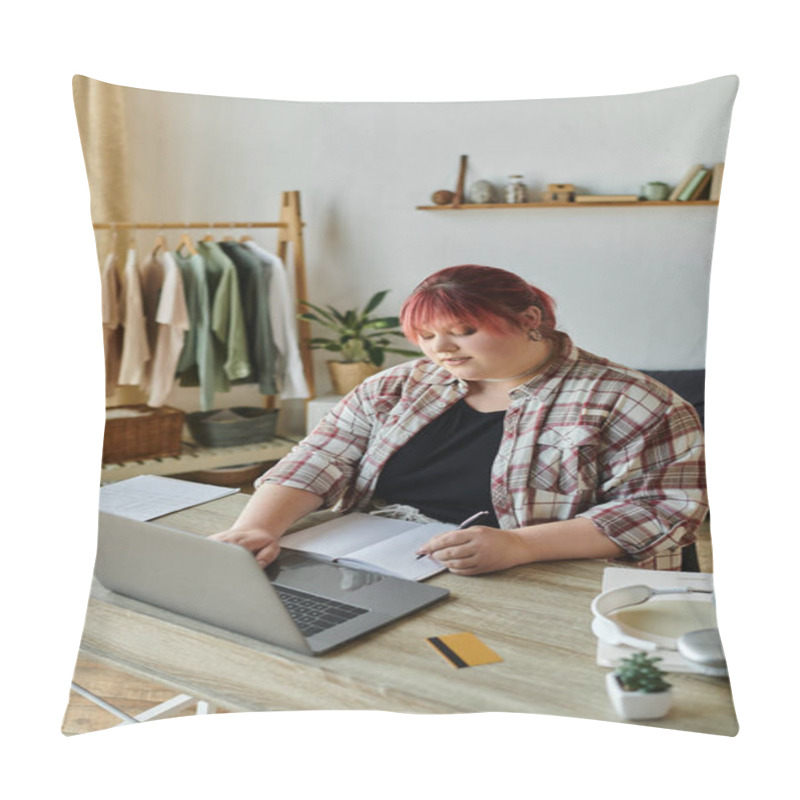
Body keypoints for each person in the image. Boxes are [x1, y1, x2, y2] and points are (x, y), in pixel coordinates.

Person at [211, 264, 707, 575]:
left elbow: (662, 510)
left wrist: (517, 546)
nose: (440, 350)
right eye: (425, 336)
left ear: (530, 320)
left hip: (552, 581)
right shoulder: (397, 386)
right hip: (384, 564)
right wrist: (259, 528)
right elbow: (319, 457)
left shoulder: (633, 400)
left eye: (463, 331)